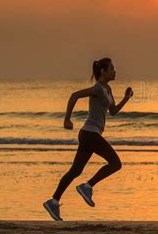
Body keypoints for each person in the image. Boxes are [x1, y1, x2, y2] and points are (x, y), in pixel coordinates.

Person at [43, 58, 133, 221]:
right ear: (103, 71)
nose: (115, 71)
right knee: (115, 163)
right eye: (112, 68)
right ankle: (87, 186)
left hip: (89, 135)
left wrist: (126, 98)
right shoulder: (98, 88)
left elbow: (112, 111)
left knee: (75, 171)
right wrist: (67, 119)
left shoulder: (108, 89)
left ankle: (53, 201)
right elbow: (74, 95)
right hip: (90, 134)